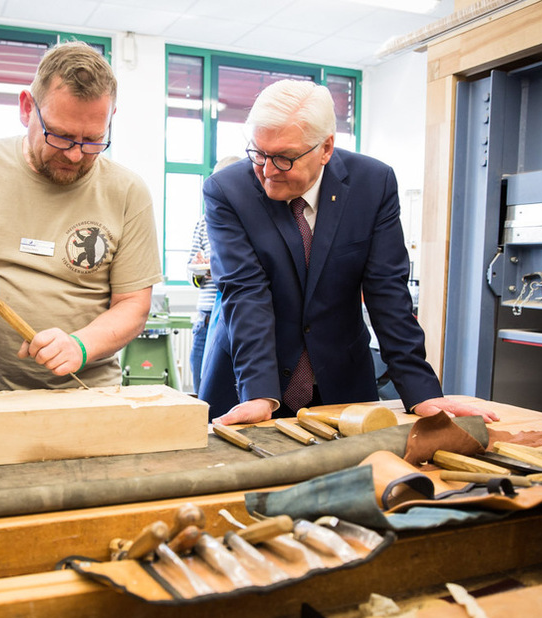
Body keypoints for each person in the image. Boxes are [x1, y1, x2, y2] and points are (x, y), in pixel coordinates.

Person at [199, 79, 498, 426]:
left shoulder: (373, 184)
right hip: (248, 384)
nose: (267, 172)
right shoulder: (227, 190)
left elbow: (388, 291)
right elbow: (245, 292)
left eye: (283, 158)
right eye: (258, 153)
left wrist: (422, 391)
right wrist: (259, 393)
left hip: (342, 383)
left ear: (325, 148)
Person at [0, 41, 162, 391]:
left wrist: (80, 344)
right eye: (60, 136)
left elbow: (134, 305)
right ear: (27, 107)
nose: (76, 155)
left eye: (92, 140)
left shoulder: (128, 192)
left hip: (87, 395)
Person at [187, 155, 239, 394]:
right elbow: (192, 273)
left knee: (226, 390)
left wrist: (218, 266)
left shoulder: (247, 222)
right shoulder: (203, 223)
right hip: (206, 317)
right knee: (201, 383)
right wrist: (199, 268)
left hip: (233, 317)